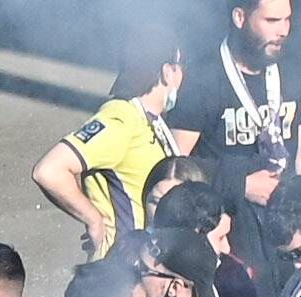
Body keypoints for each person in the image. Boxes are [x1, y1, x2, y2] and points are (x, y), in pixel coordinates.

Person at [167, 0, 301, 288]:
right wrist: (240, 184)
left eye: (287, 20)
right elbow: (174, 169)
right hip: (229, 235)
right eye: (272, 21)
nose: (283, 31)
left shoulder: (296, 73)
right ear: (239, 17)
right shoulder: (204, 79)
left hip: (285, 233)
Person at [30, 23, 185, 260]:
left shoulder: (150, 120)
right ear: (167, 72)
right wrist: (93, 219)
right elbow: (49, 171)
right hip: (122, 271)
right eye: (179, 66)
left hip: (147, 264)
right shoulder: (120, 118)